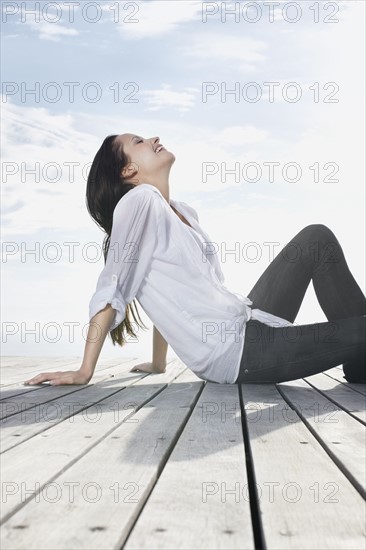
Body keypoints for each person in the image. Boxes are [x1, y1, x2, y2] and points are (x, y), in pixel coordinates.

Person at [24, 134, 366, 387]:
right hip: (237, 353)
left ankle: (362, 364)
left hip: (248, 319)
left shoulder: (182, 212)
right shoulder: (138, 202)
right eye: (140, 141)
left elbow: (172, 296)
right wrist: (85, 370)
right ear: (129, 170)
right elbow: (113, 285)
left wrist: (159, 362)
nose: (154, 138)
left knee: (316, 239)